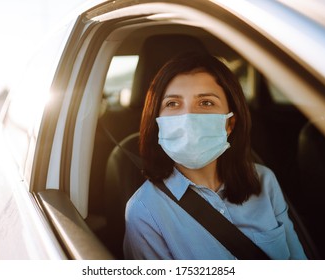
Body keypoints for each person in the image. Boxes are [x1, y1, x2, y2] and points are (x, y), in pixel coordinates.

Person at [123, 52, 307, 260]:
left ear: (230, 123)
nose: (188, 117)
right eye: (172, 103)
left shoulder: (264, 181)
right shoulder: (145, 210)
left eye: (206, 103)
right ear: (157, 122)